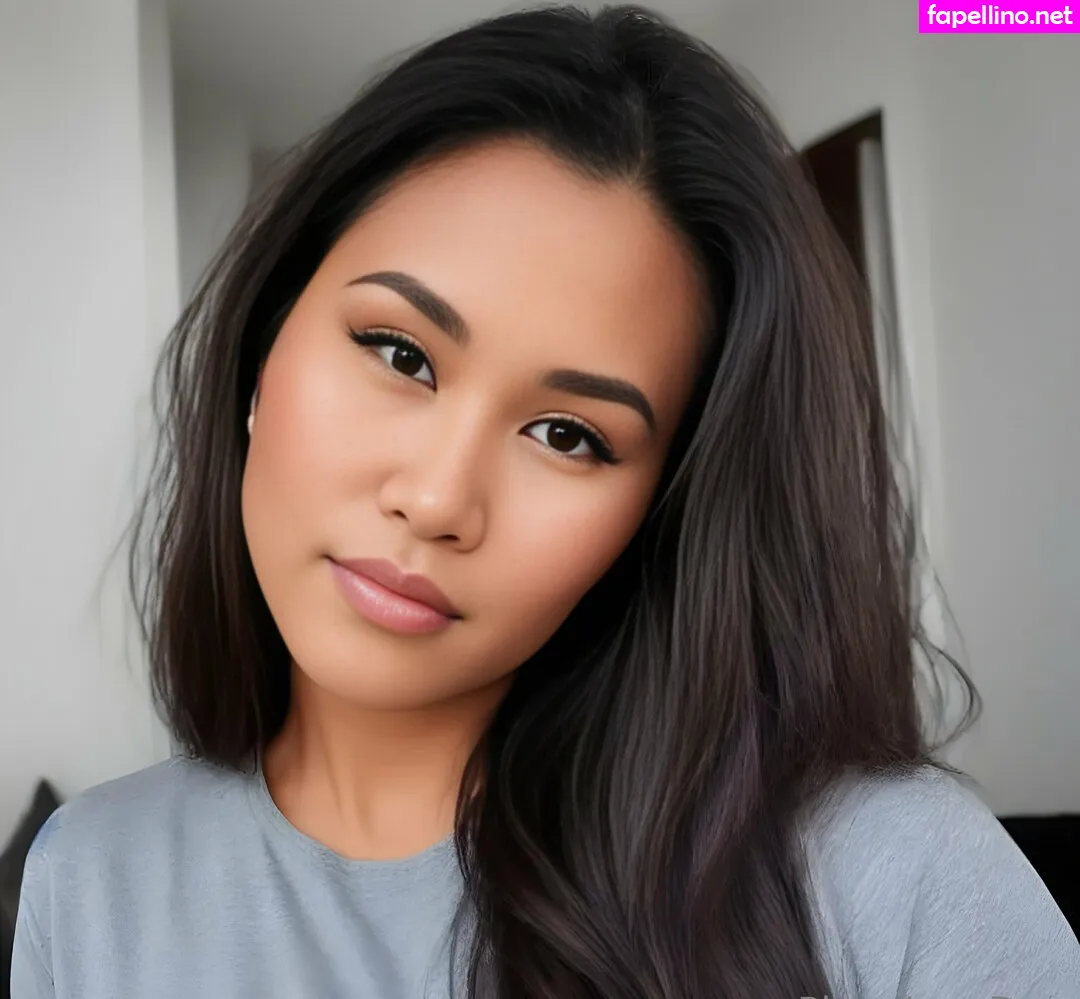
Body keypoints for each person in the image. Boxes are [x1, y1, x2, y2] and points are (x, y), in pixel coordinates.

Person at [11, 5, 1079, 998]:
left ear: (657, 511)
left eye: (569, 436)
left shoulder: (891, 881)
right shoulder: (91, 884)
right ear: (262, 347)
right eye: (400, 353)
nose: (438, 498)